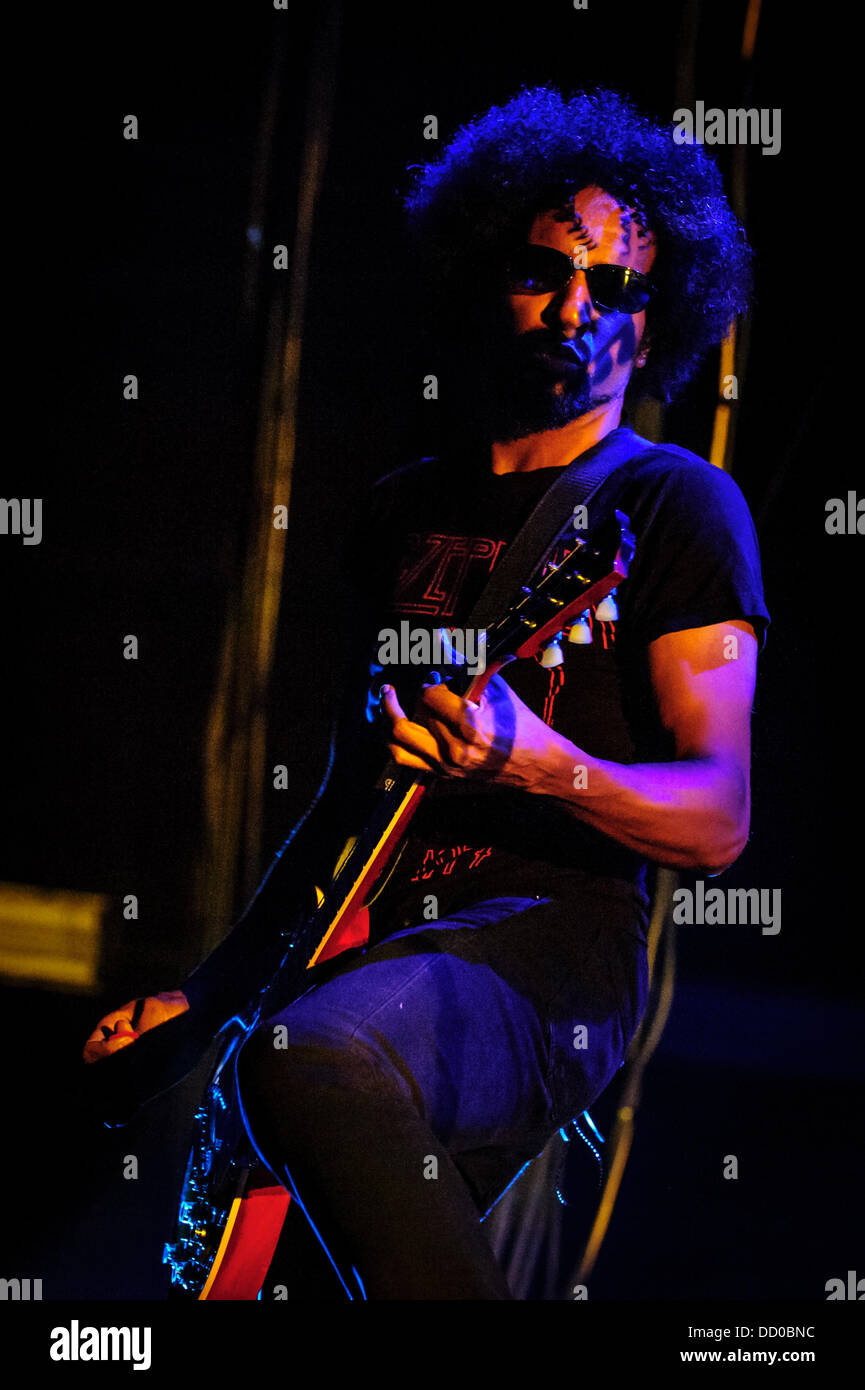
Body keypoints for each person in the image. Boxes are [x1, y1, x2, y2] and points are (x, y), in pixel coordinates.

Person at [84, 86, 769, 1300]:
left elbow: (717, 819)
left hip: (545, 951)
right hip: (364, 950)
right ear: (483, 274)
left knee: (311, 1055)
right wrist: (209, 991)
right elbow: (348, 803)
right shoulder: (402, 510)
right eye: (544, 271)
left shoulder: (671, 506)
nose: (574, 309)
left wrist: (534, 760)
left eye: (613, 288)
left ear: (656, 323)